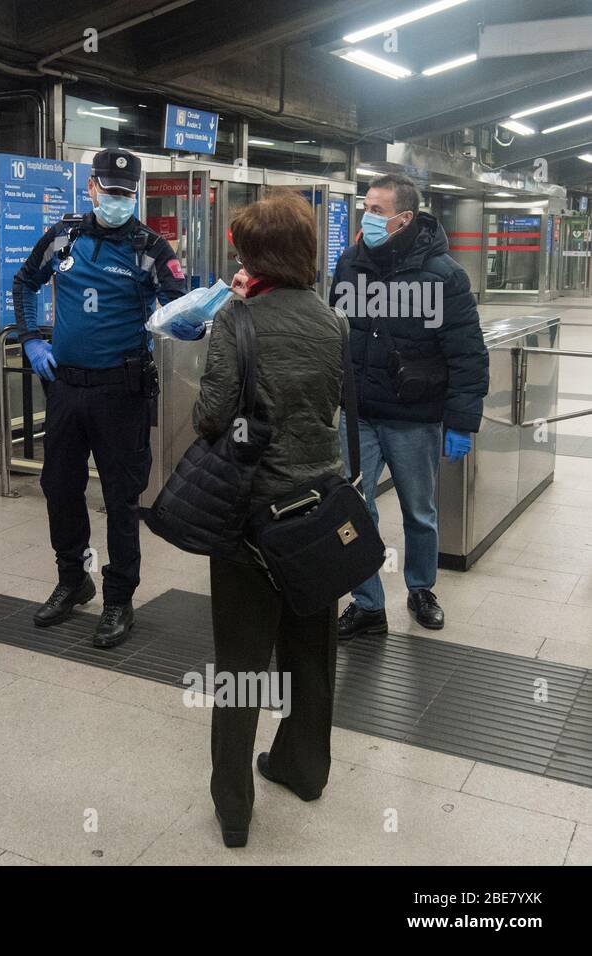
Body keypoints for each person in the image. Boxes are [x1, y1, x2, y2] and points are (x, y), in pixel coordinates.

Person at [192, 190, 348, 847]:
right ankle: (305, 768)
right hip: (319, 509)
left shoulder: (237, 319)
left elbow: (210, 416)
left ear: (256, 257)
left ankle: (234, 807)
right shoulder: (334, 321)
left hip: (253, 517)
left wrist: (238, 310)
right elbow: (331, 403)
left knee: (241, 662)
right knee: (312, 650)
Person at [12, 147, 192, 648]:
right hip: (66, 387)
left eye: (126, 194)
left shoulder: (152, 249)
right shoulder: (63, 237)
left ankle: (119, 597)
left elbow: (179, 307)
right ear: (91, 187)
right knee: (60, 487)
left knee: (120, 497)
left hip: (121, 390)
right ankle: (73, 579)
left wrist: (191, 322)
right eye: (109, 191)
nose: (117, 200)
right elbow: (25, 281)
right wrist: (30, 338)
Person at [330, 173, 488, 637]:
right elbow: (337, 333)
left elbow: (467, 352)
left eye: (377, 211)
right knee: (356, 510)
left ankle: (421, 589)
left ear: (405, 218)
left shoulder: (444, 275)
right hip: (358, 414)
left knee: (419, 511)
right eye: (366, 208)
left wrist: (461, 420)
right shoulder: (349, 264)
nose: (368, 218)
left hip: (414, 416)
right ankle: (367, 603)